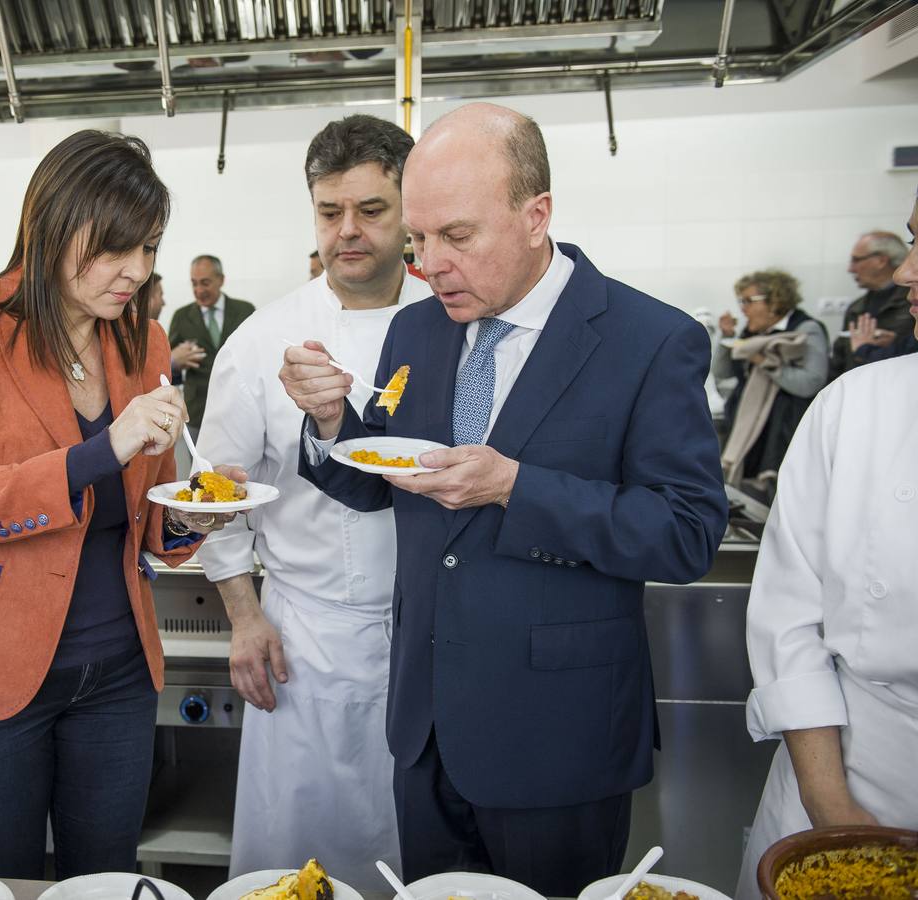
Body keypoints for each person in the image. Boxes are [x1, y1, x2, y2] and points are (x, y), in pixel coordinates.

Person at [280, 102, 727, 895]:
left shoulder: (649, 340)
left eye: (456, 237)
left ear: (535, 216)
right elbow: (383, 478)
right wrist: (327, 424)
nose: (428, 264)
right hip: (425, 729)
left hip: (558, 736)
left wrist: (517, 487)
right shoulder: (416, 333)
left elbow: (686, 533)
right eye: (418, 240)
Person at [0, 130, 228, 880]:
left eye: (148, 250)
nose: (135, 273)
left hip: (115, 674)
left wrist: (197, 512)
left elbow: (152, 528)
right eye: (115, 249)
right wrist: (97, 451)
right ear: (52, 227)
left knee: (106, 879)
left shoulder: (143, 342)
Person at [196, 115, 423, 891]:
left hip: (431, 638)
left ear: (409, 208)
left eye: (371, 210)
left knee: (417, 851)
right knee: (292, 862)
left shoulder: (455, 323)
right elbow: (217, 490)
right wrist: (243, 615)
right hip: (303, 639)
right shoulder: (264, 340)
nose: (348, 232)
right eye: (330, 213)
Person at [734, 196, 918, 900]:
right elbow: (787, 614)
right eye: (906, 243)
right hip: (843, 773)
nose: (905, 273)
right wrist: (829, 806)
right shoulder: (857, 405)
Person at [714, 270, 828, 493]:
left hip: (782, 429)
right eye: (741, 301)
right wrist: (726, 336)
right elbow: (721, 372)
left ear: (775, 300)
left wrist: (763, 361)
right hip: (747, 424)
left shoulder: (805, 330)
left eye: (748, 301)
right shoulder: (752, 333)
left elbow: (811, 382)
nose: (742, 308)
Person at [167, 254, 255, 431]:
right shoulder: (181, 316)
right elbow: (166, 368)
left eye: (205, 283)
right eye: (194, 283)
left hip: (241, 409)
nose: (199, 290)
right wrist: (174, 362)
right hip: (198, 413)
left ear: (221, 280)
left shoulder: (245, 310)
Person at [828, 231, 910, 378]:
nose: (850, 269)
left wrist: (893, 343)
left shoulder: (912, 304)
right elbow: (838, 362)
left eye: (856, 260)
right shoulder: (855, 308)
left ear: (881, 261)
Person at [145, 272, 206, 378]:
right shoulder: (127, 336)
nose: (163, 303)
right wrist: (171, 361)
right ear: (147, 299)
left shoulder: (153, 333)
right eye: (160, 295)